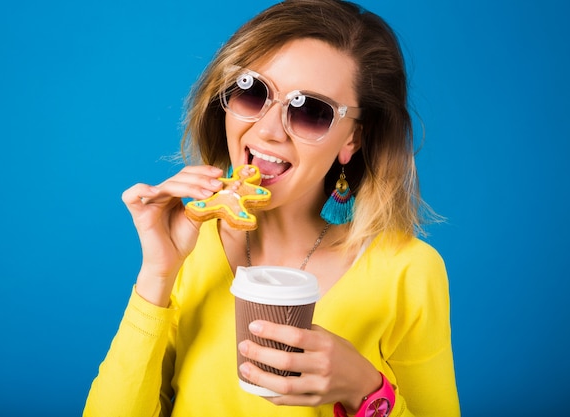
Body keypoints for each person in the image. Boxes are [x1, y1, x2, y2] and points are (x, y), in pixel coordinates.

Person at [83, 0, 460, 416]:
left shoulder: (407, 272)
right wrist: (157, 274)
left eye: (312, 112)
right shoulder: (189, 245)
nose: (267, 130)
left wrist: (366, 390)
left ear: (353, 139)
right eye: (252, 90)